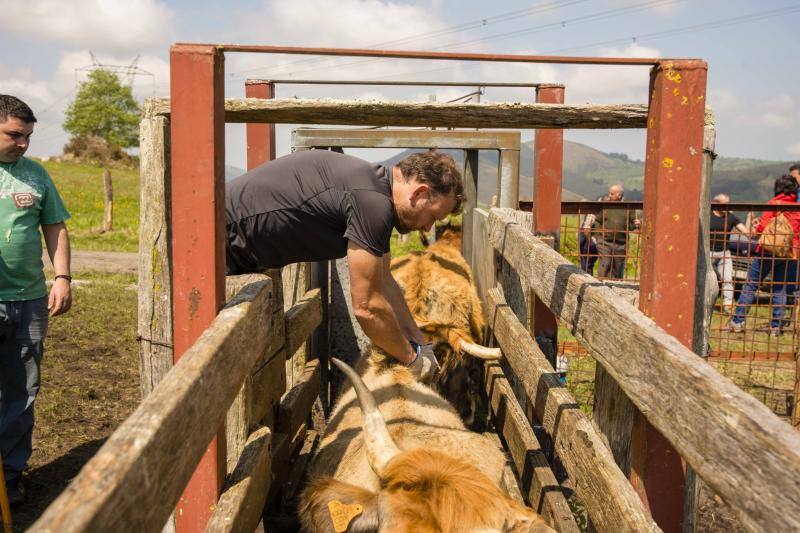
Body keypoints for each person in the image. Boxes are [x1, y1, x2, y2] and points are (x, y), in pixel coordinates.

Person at [226, 149, 463, 382]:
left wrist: (421, 343)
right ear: (420, 193)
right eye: (432, 217)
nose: (427, 229)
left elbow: (385, 282)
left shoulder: (375, 191)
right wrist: (411, 359)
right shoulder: (373, 204)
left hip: (234, 248)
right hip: (218, 246)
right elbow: (366, 307)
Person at [0, 95, 72, 508]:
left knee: (22, 390)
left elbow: (55, 228)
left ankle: (10, 474)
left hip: (28, 300)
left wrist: (61, 277)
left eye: (27, 136)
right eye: (14, 135)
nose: (23, 143)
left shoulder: (35, 175)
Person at [728, 175, 800, 335]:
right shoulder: (797, 207)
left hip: (768, 251)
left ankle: (737, 322)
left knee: (751, 284)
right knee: (780, 288)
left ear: (778, 188)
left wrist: (757, 224)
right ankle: (776, 327)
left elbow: (763, 228)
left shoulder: (774, 204)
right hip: (789, 253)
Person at [709, 193, 748, 311]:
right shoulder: (708, 215)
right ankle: (705, 302)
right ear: (716, 204)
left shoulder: (731, 217)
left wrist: (752, 225)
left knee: (727, 279)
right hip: (708, 253)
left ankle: (728, 305)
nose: (728, 206)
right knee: (707, 279)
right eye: (725, 203)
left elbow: (746, 232)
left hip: (724, 253)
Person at [595, 184, 639, 279]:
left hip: (621, 243)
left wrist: (637, 224)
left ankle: (616, 287)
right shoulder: (605, 205)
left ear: (619, 195)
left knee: (618, 267)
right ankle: (600, 284)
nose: (609, 196)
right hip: (605, 242)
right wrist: (598, 237)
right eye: (609, 193)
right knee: (605, 263)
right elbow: (598, 220)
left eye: (611, 194)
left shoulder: (628, 207)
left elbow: (632, 225)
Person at [578, 195, 603, 274]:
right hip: (590, 241)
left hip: (592, 240)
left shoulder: (595, 212)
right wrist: (590, 243)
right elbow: (586, 229)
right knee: (588, 265)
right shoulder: (593, 213)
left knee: (588, 264)